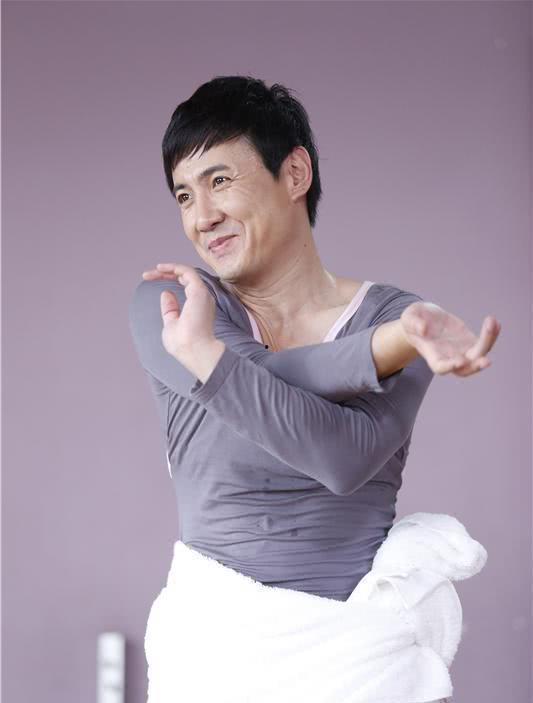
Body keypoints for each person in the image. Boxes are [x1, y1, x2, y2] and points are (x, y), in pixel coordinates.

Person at [128, 75, 499, 703]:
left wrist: (211, 362)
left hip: (360, 666)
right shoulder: (174, 305)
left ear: (294, 173)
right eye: (184, 194)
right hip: (215, 657)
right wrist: (386, 348)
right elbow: (257, 386)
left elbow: (342, 458)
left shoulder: (399, 315)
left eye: (220, 180)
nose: (201, 216)